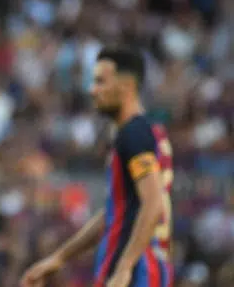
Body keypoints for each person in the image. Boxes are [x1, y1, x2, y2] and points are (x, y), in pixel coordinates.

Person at [20, 48, 174, 287]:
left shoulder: (133, 135)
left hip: (135, 270)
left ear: (126, 86)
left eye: (101, 82)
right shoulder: (149, 134)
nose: (93, 90)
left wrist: (124, 268)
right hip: (148, 267)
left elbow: (153, 203)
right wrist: (59, 258)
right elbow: (117, 213)